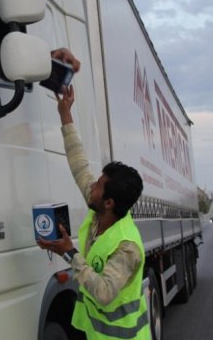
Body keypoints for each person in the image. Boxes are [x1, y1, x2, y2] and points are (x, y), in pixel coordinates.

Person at [37, 83, 151, 340]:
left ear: (109, 201)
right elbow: (79, 164)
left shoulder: (127, 246)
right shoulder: (101, 210)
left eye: (98, 185)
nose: (92, 185)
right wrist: (65, 114)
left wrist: (70, 253)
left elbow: (103, 292)